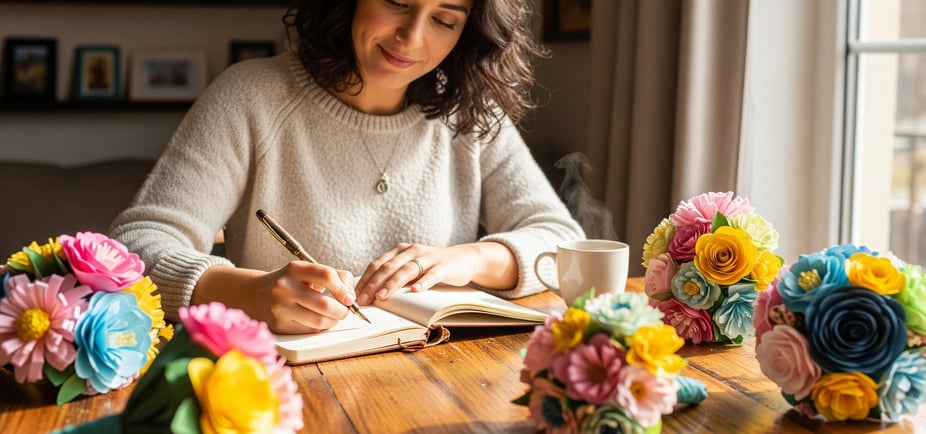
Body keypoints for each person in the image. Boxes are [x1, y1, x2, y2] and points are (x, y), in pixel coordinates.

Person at [108, 0, 585, 334]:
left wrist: (468, 258)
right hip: (277, 388)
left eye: (444, 19)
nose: (412, 37)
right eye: (397, 1)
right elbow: (134, 247)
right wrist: (249, 293)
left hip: (438, 379)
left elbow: (565, 242)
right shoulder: (250, 97)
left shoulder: (470, 115)